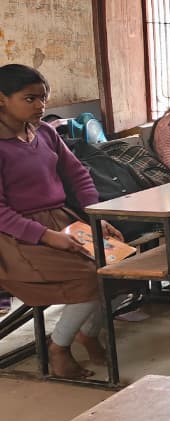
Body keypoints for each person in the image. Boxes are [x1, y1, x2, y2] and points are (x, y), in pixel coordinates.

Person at [0, 64, 122, 379]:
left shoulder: (44, 132)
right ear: (1, 99)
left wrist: (96, 216)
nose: (40, 105)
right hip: (17, 237)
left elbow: (78, 174)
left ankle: (87, 333)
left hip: (62, 220)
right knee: (90, 277)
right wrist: (46, 236)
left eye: (43, 97)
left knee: (119, 265)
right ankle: (59, 348)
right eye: (30, 99)